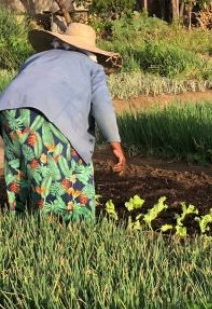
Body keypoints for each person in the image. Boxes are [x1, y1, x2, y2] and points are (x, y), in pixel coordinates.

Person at [0, 23, 126, 222]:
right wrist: (115, 143)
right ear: (90, 50)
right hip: (44, 114)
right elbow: (102, 106)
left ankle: (22, 219)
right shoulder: (91, 67)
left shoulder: (37, 58)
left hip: (8, 111)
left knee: (22, 168)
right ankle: (58, 225)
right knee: (57, 172)